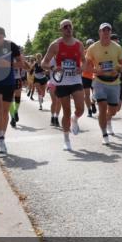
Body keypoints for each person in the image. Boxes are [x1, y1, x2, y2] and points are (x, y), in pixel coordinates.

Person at [40, 19, 87, 151]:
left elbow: (84, 61)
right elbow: (44, 63)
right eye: (65, 27)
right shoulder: (55, 45)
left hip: (76, 80)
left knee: (81, 109)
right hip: (62, 82)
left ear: (72, 28)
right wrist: (53, 68)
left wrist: (82, 68)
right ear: (61, 30)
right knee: (66, 111)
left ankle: (75, 119)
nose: (68, 28)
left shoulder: (79, 44)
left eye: (70, 26)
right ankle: (66, 139)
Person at [85, 23, 122, 144]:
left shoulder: (117, 47)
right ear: (99, 33)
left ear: (110, 32)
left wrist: (118, 70)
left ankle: (107, 119)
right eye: (104, 31)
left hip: (114, 82)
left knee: (113, 110)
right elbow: (86, 66)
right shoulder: (92, 48)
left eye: (108, 30)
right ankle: (104, 134)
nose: (106, 33)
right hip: (99, 81)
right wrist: (95, 70)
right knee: (102, 107)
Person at [82, 39, 97, 118]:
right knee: (87, 95)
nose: (91, 45)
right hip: (85, 76)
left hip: (95, 76)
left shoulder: (97, 53)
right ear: (87, 45)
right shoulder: (83, 53)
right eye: (89, 44)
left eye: (92, 44)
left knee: (96, 93)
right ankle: (89, 110)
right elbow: (81, 64)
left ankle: (93, 103)